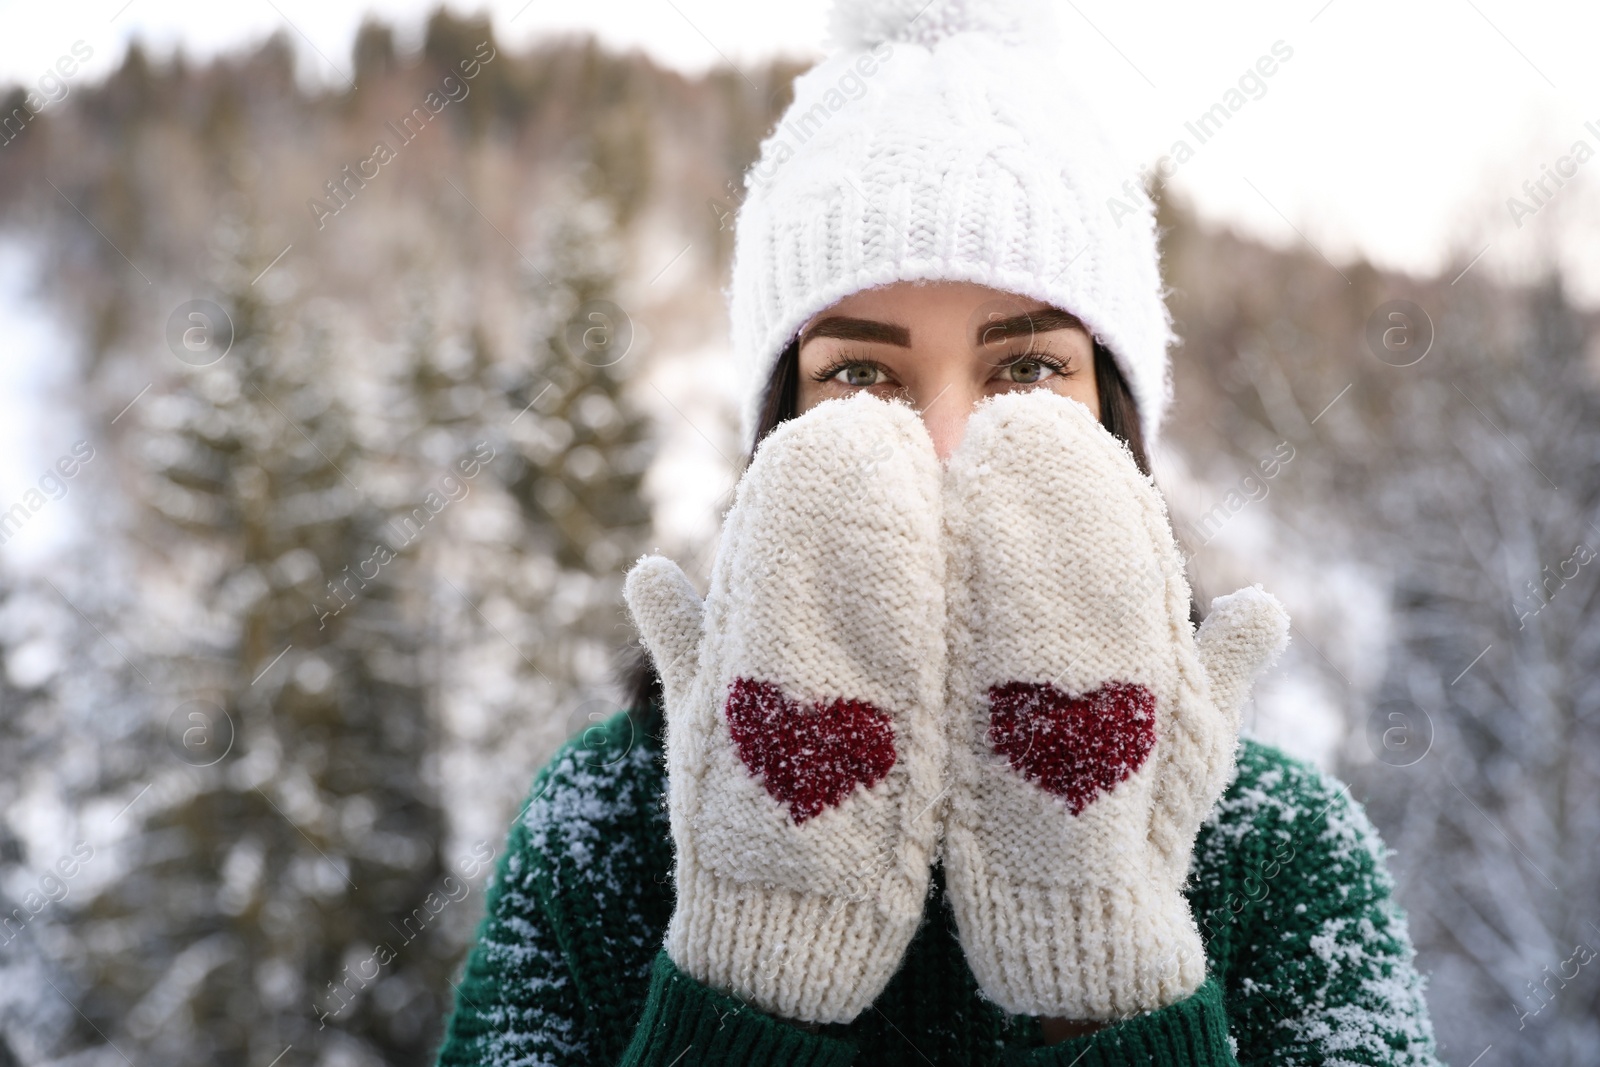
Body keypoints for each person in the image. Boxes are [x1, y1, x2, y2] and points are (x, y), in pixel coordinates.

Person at [434, 1, 1442, 1063]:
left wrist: (1108, 978)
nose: (949, 441)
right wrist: (748, 975)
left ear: (1118, 418)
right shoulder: (601, 827)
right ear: (777, 425)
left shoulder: (1285, 852)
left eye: (1028, 368)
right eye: (861, 375)